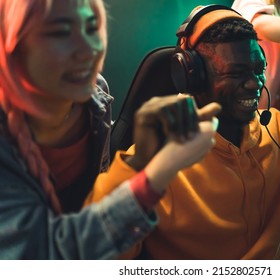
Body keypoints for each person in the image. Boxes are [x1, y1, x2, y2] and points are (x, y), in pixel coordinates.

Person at [85, 5, 280, 259]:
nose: (255, 83)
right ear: (192, 76)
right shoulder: (159, 156)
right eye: (236, 72)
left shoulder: (277, 129)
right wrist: (140, 171)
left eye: (258, 69)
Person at [0, 0, 220, 259]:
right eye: (60, 33)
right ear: (12, 46)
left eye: (92, 29)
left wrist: (140, 160)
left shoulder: (95, 97)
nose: (88, 50)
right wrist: (157, 173)